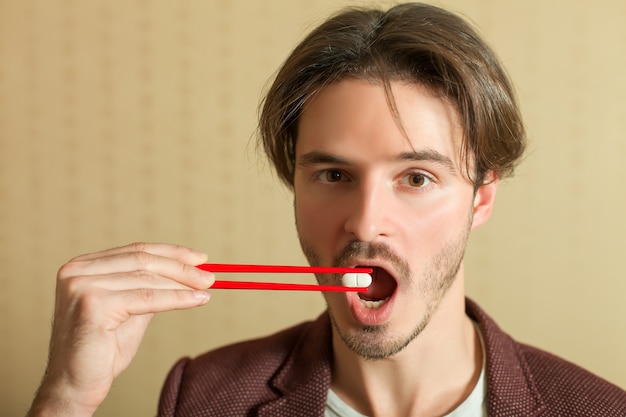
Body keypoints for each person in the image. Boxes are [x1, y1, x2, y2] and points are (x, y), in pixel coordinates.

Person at [28, 3, 626, 417]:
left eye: (416, 177)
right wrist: (65, 400)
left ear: (482, 197)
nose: (365, 224)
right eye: (334, 175)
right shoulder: (204, 397)